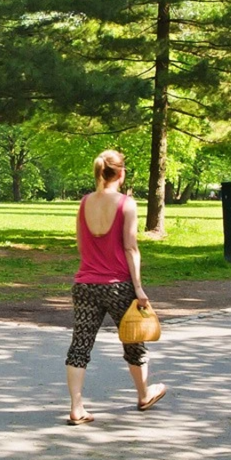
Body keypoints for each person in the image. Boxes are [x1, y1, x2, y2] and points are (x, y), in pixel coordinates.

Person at [65, 149, 166, 426]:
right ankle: (144, 394)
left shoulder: (85, 202)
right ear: (121, 173)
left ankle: (76, 407)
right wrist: (139, 288)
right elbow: (131, 247)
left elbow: (81, 244)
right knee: (133, 340)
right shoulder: (126, 204)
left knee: (80, 345)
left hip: (85, 284)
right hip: (118, 285)